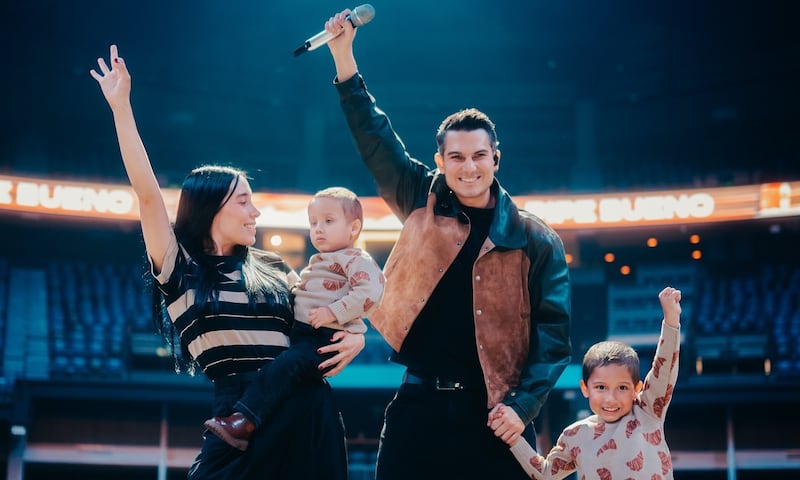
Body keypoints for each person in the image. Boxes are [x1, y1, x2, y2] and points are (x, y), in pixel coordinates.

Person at [90, 45, 364, 479]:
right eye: (243, 201)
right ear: (210, 208)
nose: (255, 212)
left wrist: (355, 337)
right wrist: (121, 107)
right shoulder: (179, 267)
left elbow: (317, 323)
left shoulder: (274, 266)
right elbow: (146, 193)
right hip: (237, 414)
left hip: (309, 407)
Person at [321, 10, 572, 479]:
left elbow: (554, 340)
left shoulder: (536, 239)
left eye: (479, 156)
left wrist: (523, 407)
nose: (468, 167)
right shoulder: (421, 197)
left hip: (499, 416)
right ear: (440, 160)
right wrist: (343, 56)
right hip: (418, 408)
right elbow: (376, 139)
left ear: (496, 159)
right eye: (455, 157)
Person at [203, 186, 385, 450]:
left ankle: (244, 422)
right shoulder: (320, 261)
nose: (318, 229)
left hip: (322, 336)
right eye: (313, 223)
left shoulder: (356, 259)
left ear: (354, 228)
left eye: (328, 221)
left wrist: (334, 312)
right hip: (303, 333)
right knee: (282, 372)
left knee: (283, 368)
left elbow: (372, 291)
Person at [503, 286, 682, 479]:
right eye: (601, 387)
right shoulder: (575, 435)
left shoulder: (647, 412)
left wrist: (671, 320)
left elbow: (663, 371)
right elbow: (546, 474)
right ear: (585, 388)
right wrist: (514, 439)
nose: (610, 398)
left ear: (637, 389)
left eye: (622, 387)